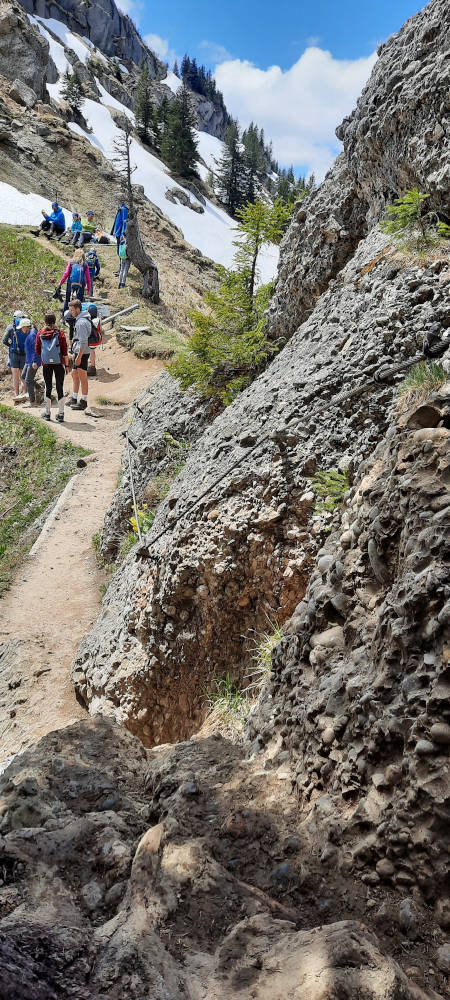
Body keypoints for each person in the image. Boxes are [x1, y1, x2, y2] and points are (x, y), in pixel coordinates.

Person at [35, 312, 69, 422]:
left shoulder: (40, 333)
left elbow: (37, 350)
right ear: (55, 321)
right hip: (59, 363)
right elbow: (65, 351)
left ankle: (47, 413)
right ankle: (61, 414)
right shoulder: (60, 333)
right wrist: (67, 365)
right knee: (60, 387)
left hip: (46, 364)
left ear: (45, 321)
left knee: (48, 387)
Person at [66, 299, 91, 411]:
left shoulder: (81, 323)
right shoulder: (82, 319)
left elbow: (84, 342)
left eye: (72, 310)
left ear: (78, 309)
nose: (71, 312)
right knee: (74, 374)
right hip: (79, 351)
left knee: (82, 376)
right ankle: (74, 398)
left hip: (82, 353)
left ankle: (84, 401)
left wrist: (79, 357)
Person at [2, 310, 27, 399]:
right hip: (24, 353)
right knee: (23, 375)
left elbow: (4, 341)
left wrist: (11, 346)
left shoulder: (10, 327)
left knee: (15, 376)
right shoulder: (26, 327)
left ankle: (16, 395)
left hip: (14, 354)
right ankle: (24, 394)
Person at [20, 318, 40, 407]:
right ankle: (39, 388)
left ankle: (32, 402)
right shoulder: (31, 332)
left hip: (33, 360)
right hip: (29, 360)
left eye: (22, 327)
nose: (21, 329)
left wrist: (35, 361)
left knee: (28, 380)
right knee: (23, 376)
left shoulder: (32, 334)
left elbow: (36, 349)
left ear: (25, 327)